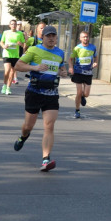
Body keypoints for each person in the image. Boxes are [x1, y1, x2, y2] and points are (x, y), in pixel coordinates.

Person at [12, 25, 67, 172]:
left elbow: (61, 67)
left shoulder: (60, 53)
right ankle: (23, 137)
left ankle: (45, 159)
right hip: (34, 92)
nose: (50, 38)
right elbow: (18, 65)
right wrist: (35, 68)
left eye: (53, 36)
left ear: (56, 38)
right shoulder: (34, 50)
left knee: (49, 126)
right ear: (43, 37)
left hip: (51, 93)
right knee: (28, 126)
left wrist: (63, 72)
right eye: (48, 36)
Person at [69, 30, 98, 119]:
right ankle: (77, 110)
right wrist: (71, 68)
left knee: (86, 94)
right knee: (78, 92)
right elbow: (70, 59)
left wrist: (95, 63)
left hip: (88, 73)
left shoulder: (93, 47)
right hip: (78, 72)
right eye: (83, 37)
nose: (85, 38)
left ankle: (83, 96)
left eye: (87, 36)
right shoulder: (77, 48)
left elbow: (96, 57)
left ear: (89, 38)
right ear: (80, 38)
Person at [0, 19, 25, 95]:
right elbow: (1, 42)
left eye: (15, 24)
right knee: (7, 70)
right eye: (12, 24)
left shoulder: (20, 33)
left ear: (16, 25)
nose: (14, 25)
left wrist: (21, 44)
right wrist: (4, 46)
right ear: (9, 25)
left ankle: (8, 87)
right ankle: (4, 84)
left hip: (15, 55)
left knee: (12, 72)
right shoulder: (6, 32)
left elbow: (24, 45)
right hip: (7, 54)